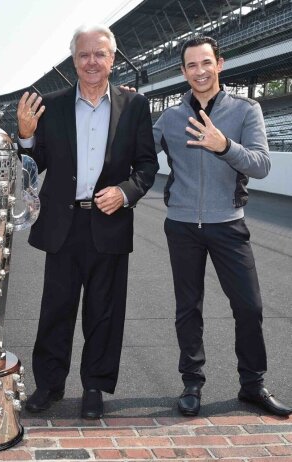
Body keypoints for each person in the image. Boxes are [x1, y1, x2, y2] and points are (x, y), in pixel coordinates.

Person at [17, 24, 158, 419]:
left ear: (112, 59)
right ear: (74, 61)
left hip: (109, 221)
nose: (92, 62)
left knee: (105, 311)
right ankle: (49, 385)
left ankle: (95, 387)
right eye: (84, 55)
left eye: (100, 54)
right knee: (55, 310)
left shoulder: (135, 106)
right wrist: (26, 137)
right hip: (64, 224)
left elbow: (147, 165)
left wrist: (126, 192)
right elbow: (34, 164)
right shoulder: (52, 105)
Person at [153, 35, 291, 417]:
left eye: (206, 62)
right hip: (181, 225)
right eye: (192, 65)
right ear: (183, 72)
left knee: (249, 306)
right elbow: (139, 150)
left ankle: (253, 385)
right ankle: (192, 384)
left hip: (228, 224)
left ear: (220, 64)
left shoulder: (246, 110)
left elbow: (261, 165)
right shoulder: (170, 117)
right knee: (188, 308)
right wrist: (130, 105)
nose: (200, 71)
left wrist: (223, 145)